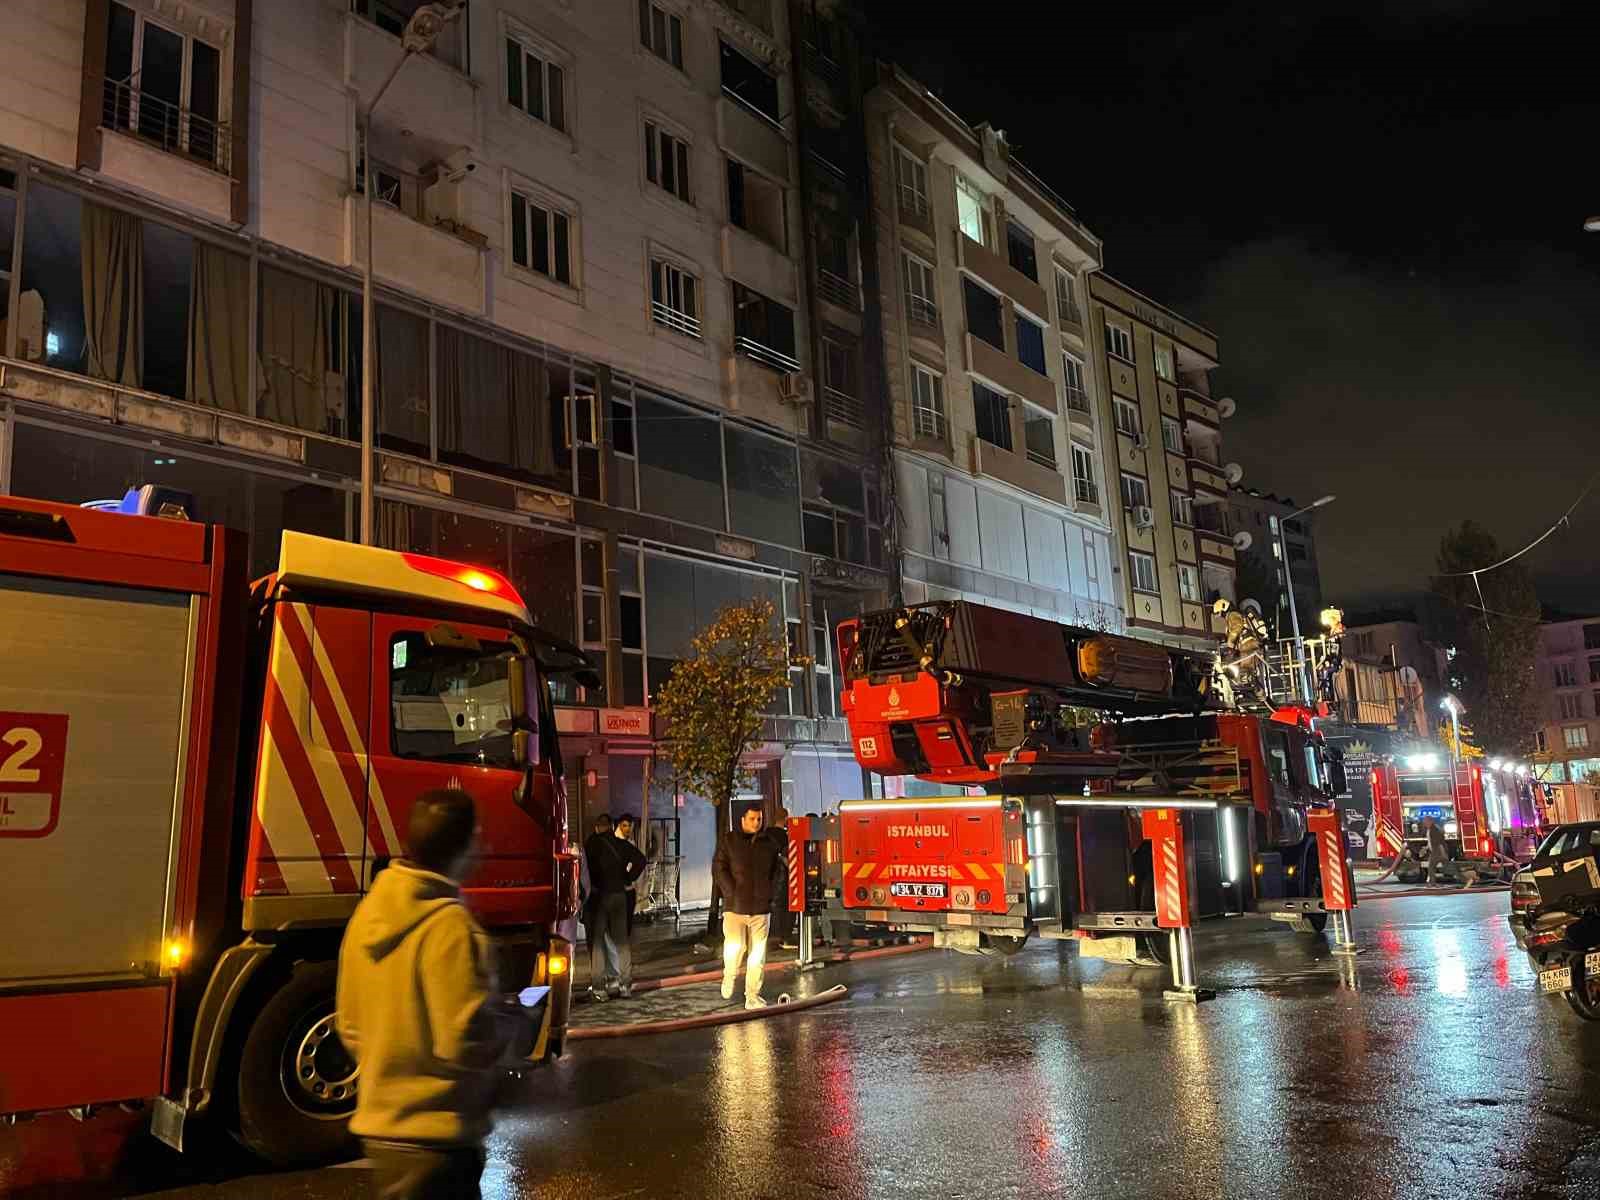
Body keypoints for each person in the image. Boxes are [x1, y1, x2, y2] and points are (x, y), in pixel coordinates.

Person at [336, 788, 532, 1200]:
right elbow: (464, 1039)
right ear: (462, 846)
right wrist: (512, 1025)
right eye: (478, 837)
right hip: (438, 1142)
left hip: (382, 1136)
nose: (485, 847)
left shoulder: (367, 915)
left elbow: (350, 1026)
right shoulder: (450, 927)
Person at [713, 801, 783, 1009]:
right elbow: (719, 868)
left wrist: (771, 894)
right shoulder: (729, 841)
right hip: (735, 907)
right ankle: (730, 975)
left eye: (759, 819)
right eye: (752, 819)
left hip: (761, 907)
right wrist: (730, 892)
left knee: (758, 954)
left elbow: (777, 872)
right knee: (735, 947)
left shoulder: (769, 844)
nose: (756, 823)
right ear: (742, 819)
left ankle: (752, 995)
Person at [583, 813, 645, 1000]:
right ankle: (625, 986)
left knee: (598, 942)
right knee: (622, 942)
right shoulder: (620, 844)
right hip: (619, 895)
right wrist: (627, 878)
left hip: (600, 896)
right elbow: (641, 860)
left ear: (597, 827)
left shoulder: (592, 844)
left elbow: (584, 869)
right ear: (611, 827)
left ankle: (599, 988)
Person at [767, 806, 798, 950]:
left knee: (773, 907)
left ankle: (773, 936)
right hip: (783, 877)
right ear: (785, 818)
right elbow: (788, 857)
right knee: (786, 906)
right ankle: (784, 936)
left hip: (768, 877)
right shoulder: (785, 837)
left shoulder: (765, 835)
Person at [614, 813, 641, 935]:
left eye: (630, 826)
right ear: (619, 826)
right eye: (624, 826)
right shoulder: (617, 843)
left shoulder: (630, 842)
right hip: (620, 889)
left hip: (627, 888)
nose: (627, 829)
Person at [1425, 815, 1449, 886]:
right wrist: (1426, 847)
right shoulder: (1429, 829)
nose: (1424, 823)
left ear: (1431, 821)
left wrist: (1443, 853)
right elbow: (1430, 841)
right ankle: (1432, 882)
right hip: (1435, 851)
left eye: (1426, 821)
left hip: (1438, 851)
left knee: (1431, 867)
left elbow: (1440, 842)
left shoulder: (1435, 829)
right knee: (1447, 867)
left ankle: (1432, 883)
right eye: (1424, 821)